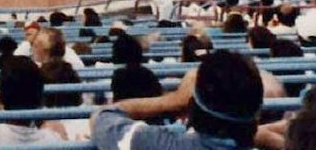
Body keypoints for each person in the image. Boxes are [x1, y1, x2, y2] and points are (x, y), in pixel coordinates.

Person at [91, 51, 265, 150]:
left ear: (193, 106)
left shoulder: (158, 143)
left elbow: (101, 118)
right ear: (256, 115)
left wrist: (174, 100)